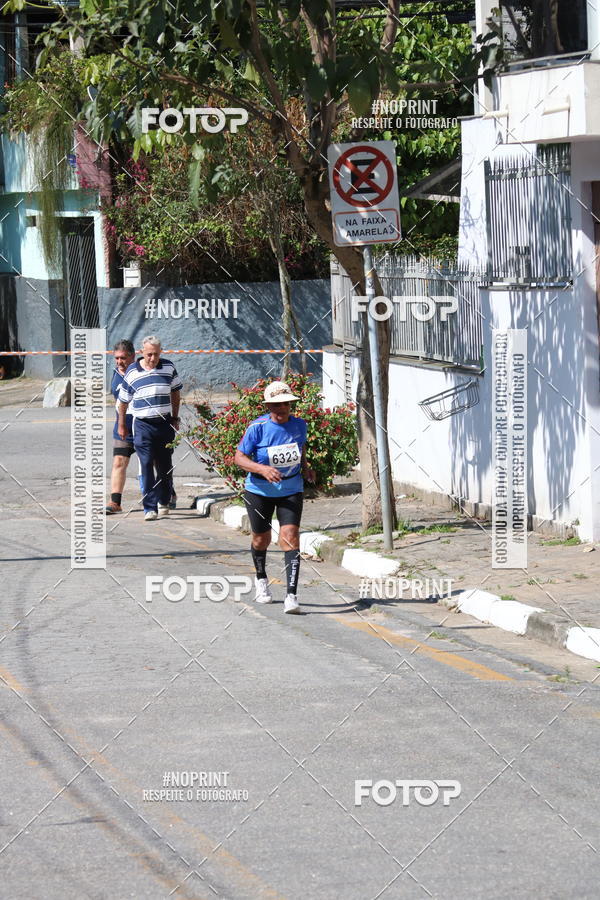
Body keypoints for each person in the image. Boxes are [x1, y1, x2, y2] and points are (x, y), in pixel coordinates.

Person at [234, 381, 315, 614]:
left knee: (290, 537)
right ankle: (261, 580)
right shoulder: (257, 427)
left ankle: (292, 595)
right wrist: (262, 470)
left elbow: (300, 449)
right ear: (268, 405)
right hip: (259, 491)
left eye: (286, 404)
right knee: (262, 539)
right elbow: (239, 457)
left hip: (291, 489)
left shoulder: (300, 425)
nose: (282, 409)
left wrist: (306, 467)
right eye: (276, 405)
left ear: (291, 404)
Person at [117, 335, 182, 521]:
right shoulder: (132, 371)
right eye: (149, 355)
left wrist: (175, 416)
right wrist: (122, 424)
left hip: (164, 423)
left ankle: (164, 499)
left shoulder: (168, 367)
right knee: (145, 464)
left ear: (161, 352)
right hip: (143, 424)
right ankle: (149, 507)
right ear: (141, 353)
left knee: (165, 465)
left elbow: (176, 393)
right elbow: (123, 402)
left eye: (156, 354)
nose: (153, 359)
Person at [105, 340, 136, 514]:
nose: (119, 362)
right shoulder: (116, 374)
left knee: (156, 463)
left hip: (145, 426)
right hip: (123, 427)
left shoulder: (141, 371)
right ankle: (115, 502)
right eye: (116, 358)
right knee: (118, 462)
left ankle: (167, 494)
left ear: (133, 356)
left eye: (123, 358)